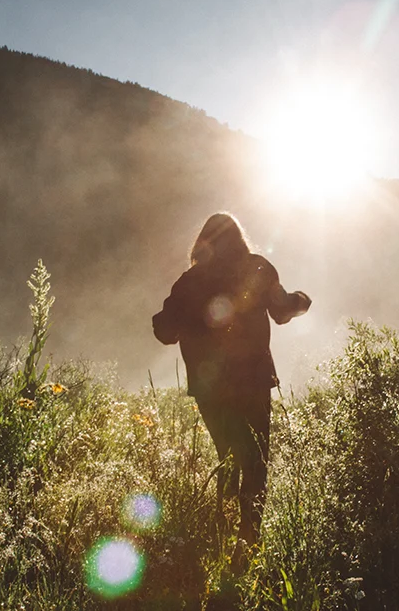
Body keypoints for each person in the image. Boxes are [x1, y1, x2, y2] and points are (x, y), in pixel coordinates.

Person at [152, 212, 311, 562]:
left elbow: (165, 331)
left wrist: (182, 319)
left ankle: (223, 540)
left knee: (228, 456)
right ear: (239, 238)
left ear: (202, 243)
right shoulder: (257, 267)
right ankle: (247, 547)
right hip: (252, 380)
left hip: (210, 387)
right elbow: (282, 311)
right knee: (255, 463)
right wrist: (302, 300)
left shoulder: (189, 281)